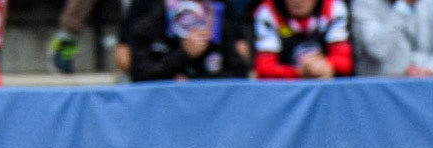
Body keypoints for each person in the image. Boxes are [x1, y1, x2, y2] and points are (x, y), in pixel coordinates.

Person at [123, 0, 251, 79]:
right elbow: (140, 74)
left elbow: (239, 73)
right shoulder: (150, 27)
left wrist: (195, 80)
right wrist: (183, 54)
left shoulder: (217, 25)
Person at [250, 0, 352, 77]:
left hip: (328, 86)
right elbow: (263, 68)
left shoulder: (333, 7)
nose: (297, 1)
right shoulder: (268, 11)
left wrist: (328, 66)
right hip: (285, 91)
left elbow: (345, 62)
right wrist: (300, 72)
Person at [353, 0, 433, 74]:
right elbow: (377, 50)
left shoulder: (429, 2)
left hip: (426, 85)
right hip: (383, 89)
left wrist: (430, 70)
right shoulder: (364, 3)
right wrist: (404, 7)